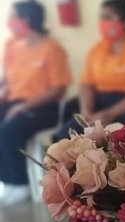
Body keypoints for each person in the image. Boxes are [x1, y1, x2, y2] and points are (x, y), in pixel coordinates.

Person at [54, 0, 125, 140]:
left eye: (108, 17)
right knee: (65, 136)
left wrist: (110, 113)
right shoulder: (98, 49)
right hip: (100, 102)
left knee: (106, 141)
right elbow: (86, 83)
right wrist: (86, 110)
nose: (103, 22)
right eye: (102, 18)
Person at [0, 0, 71, 205]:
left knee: (7, 131)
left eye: (13, 17)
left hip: (43, 107)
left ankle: (19, 184)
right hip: (14, 100)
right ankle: (7, 181)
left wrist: (24, 106)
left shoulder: (51, 48)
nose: (9, 22)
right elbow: (7, 79)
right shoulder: (12, 45)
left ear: (27, 20)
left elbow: (58, 89)